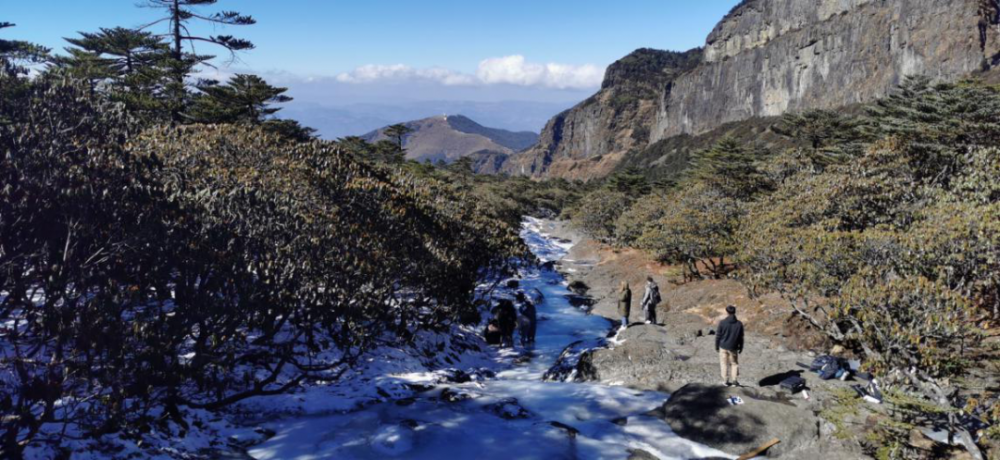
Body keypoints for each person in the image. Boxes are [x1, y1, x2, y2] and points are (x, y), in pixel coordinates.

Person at [715, 305, 745, 387]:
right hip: (733, 347)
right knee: (734, 364)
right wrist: (741, 346)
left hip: (723, 346)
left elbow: (718, 336)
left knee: (724, 363)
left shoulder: (722, 323)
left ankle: (725, 381)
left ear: (727, 312)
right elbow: (741, 337)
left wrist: (717, 346)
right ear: (734, 312)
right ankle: (734, 381)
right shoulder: (739, 324)